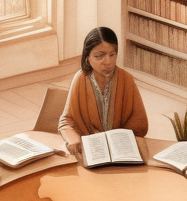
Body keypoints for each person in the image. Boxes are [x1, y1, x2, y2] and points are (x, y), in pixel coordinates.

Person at [58, 27, 149, 155]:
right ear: (87, 57)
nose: (108, 62)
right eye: (99, 56)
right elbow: (66, 121)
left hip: (120, 149)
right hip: (91, 149)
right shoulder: (80, 79)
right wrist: (73, 140)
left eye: (112, 55)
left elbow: (140, 123)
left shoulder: (126, 79)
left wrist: (116, 140)